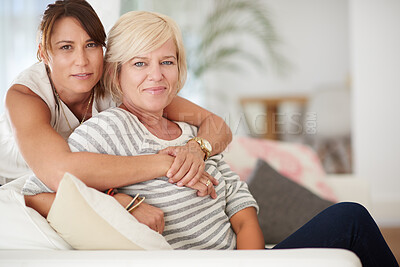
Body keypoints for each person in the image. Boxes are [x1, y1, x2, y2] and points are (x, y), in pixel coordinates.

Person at [56, 9, 396, 265]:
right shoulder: (109, 130)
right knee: (351, 219)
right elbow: (43, 189)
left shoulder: (192, 133)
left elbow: (243, 213)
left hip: (247, 259)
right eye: (140, 64)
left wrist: (249, 263)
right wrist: (125, 203)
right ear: (117, 71)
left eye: (167, 61)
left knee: (351, 217)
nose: (156, 75)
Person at [1, 0, 232, 232]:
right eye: (66, 47)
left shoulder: (117, 80)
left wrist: (195, 149)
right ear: (43, 53)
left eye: (91, 44)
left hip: (86, 183)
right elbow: (59, 173)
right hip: (24, 188)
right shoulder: (26, 95)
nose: (82, 61)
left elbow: (216, 124)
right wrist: (166, 166)